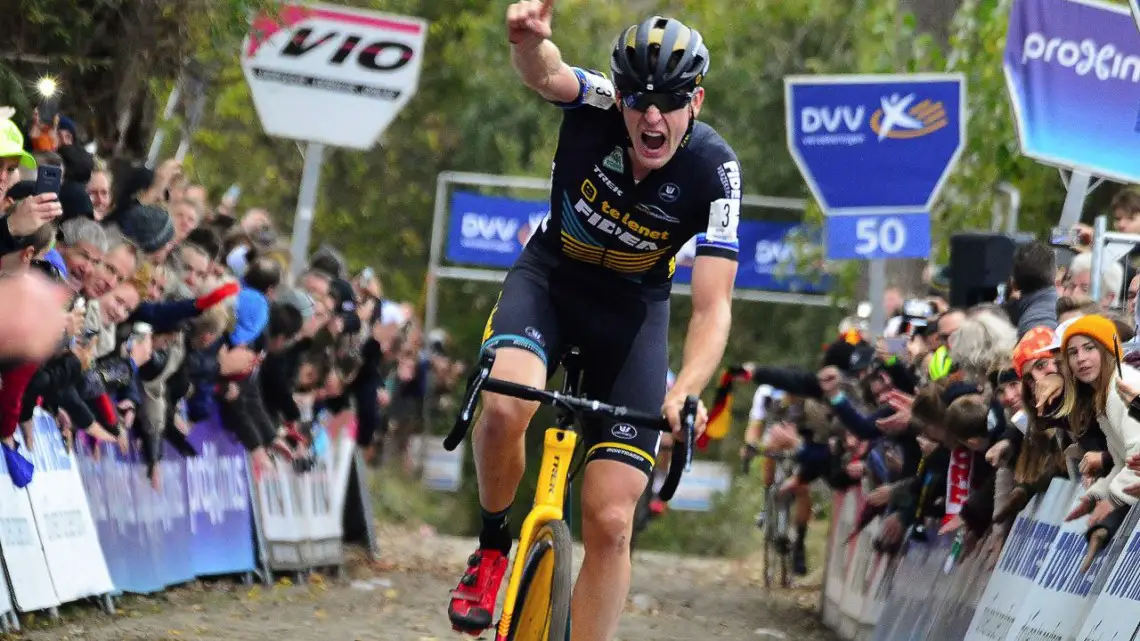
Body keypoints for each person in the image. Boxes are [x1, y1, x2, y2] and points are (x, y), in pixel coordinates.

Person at [447, 4, 738, 640]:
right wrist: (526, 42)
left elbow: (714, 302)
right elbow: (547, 75)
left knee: (610, 519)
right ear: (621, 95)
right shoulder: (598, 103)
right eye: (638, 100)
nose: (651, 116)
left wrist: (685, 388)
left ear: (697, 101)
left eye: (669, 101)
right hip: (551, 280)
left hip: (632, 314)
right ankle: (493, 547)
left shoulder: (717, 171)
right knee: (503, 408)